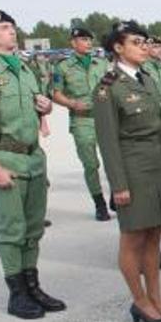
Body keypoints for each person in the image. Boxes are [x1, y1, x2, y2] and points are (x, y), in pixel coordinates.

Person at [0, 9, 65, 319]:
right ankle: (17, 293)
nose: (12, 32)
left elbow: (38, 104)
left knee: (33, 229)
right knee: (13, 229)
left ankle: (33, 285)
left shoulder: (26, 67)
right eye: (4, 28)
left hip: (34, 157)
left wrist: (45, 107)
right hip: (6, 158)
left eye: (12, 27)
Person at [94, 21, 161, 322]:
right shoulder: (108, 87)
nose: (144, 47)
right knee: (133, 239)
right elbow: (108, 141)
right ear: (118, 48)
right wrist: (118, 184)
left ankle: (157, 297)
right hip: (130, 167)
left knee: (154, 236)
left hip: (155, 164)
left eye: (145, 42)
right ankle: (140, 300)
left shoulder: (147, 79)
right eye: (136, 42)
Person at [50, 27, 112, 221]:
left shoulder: (101, 63)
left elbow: (111, 84)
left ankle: (116, 198)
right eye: (83, 39)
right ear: (73, 42)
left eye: (89, 39)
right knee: (91, 164)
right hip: (82, 120)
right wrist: (71, 103)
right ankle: (99, 203)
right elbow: (55, 93)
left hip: (104, 118)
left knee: (112, 160)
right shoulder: (63, 67)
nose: (88, 43)